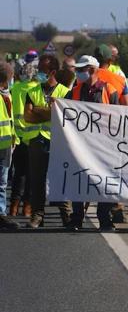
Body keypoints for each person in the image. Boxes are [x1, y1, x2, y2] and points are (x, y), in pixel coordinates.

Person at [66, 55, 120, 232]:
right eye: (78, 70)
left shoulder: (109, 90)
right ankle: (77, 218)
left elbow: (118, 118)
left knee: (104, 180)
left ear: (93, 70)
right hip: (80, 144)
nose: (79, 73)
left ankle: (105, 218)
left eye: (82, 70)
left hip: (103, 145)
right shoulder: (75, 91)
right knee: (78, 179)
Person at [22, 54, 71, 229]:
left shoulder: (65, 92)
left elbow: (64, 117)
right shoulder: (32, 91)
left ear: (53, 72)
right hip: (37, 141)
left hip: (58, 143)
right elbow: (28, 116)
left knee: (61, 178)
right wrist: (49, 110)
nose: (38, 73)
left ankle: (66, 214)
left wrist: (39, 111)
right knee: (37, 180)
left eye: (42, 70)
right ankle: (37, 215)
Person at [9, 58, 38, 218]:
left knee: (19, 174)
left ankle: (13, 207)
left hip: (17, 137)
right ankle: (27, 208)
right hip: (33, 137)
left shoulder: (15, 88)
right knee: (32, 175)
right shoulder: (37, 89)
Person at [0, 61, 19, 231]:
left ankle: (1, 214)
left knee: (2, 182)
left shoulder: (8, 95)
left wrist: (14, 140)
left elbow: (9, 121)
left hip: (5, 146)